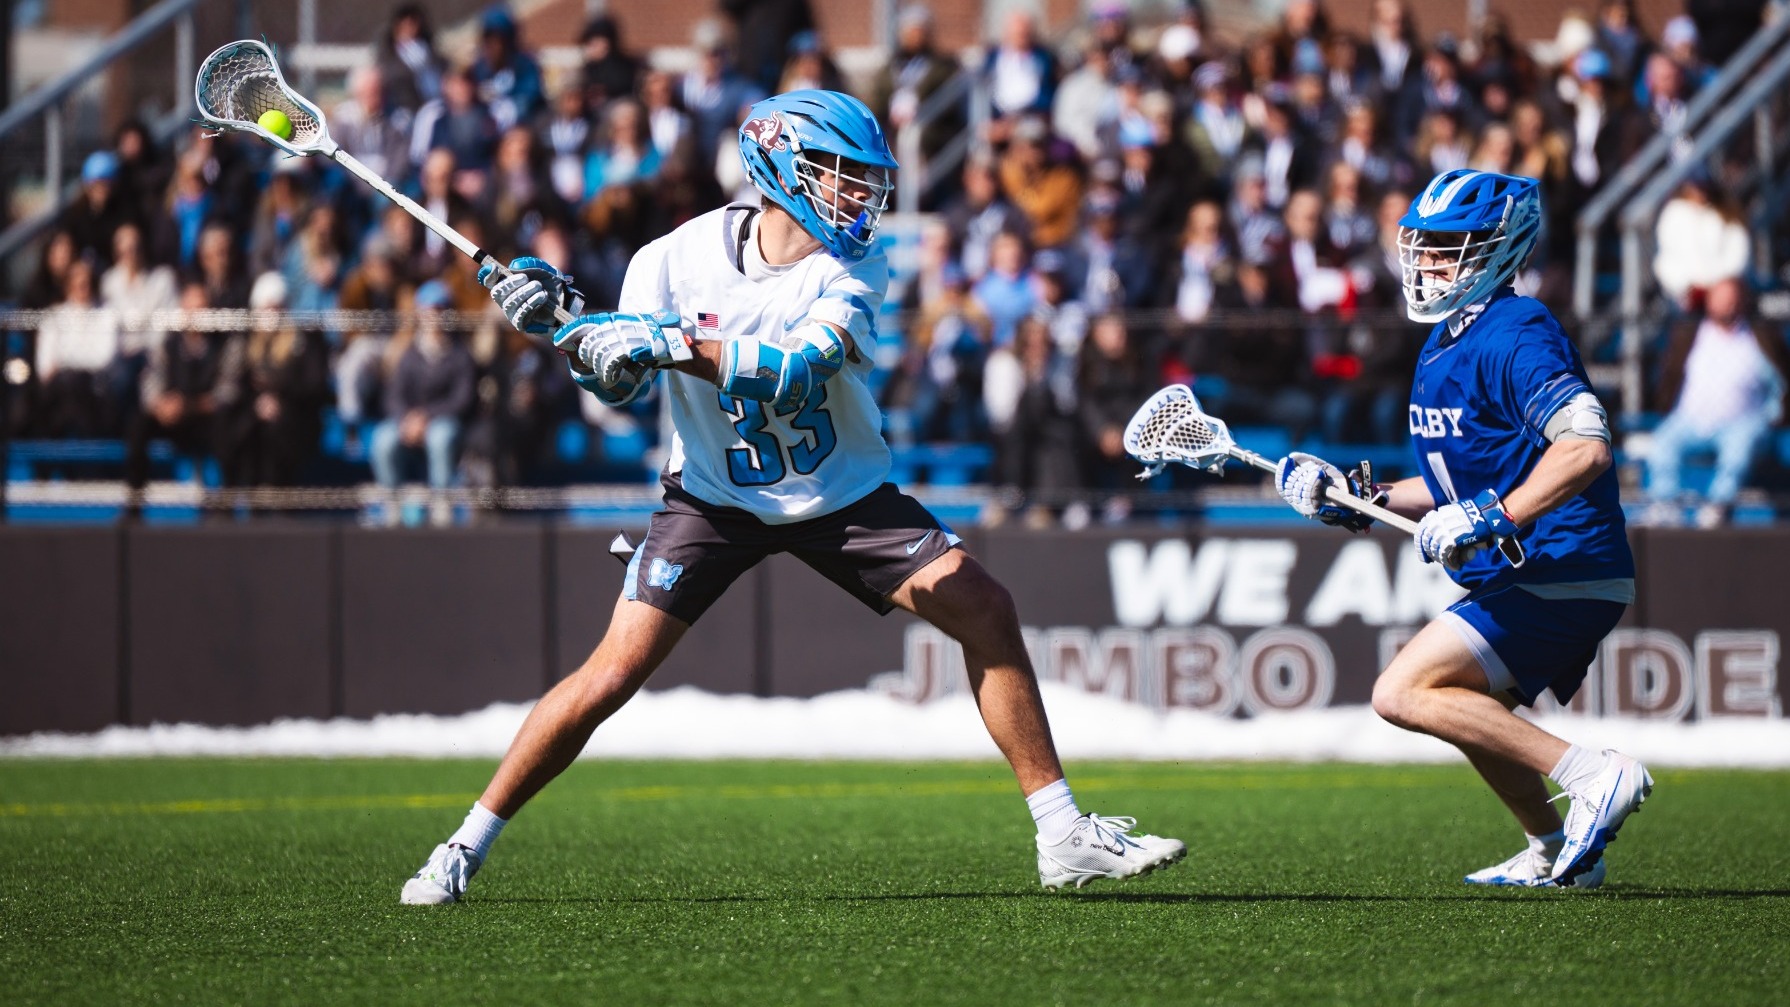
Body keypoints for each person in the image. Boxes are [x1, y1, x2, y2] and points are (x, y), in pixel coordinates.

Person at [400, 90, 1184, 905]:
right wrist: (571, 339)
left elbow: (796, 367)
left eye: (864, 177)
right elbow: (616, 394)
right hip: (711, 497)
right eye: (840, 173)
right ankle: (462, 846)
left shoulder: (856, 265)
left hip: (840, 494)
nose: (860, 193)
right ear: (778, 168)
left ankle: (1063, 836)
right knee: (610, 674)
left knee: (985, 607)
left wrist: (662, 339)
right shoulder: (671, 258)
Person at [1274, 169, 1650, 889]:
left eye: (1449, 246)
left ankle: (1594, 773)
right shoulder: (1448, 340)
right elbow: (1453, 482)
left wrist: (1493, 515)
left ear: (1501, 248)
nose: (1428, 262)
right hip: (1529, 566)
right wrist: (1363, 497)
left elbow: (1585, 445)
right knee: (1463, 708)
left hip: (1560, 559)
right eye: (1424, 246)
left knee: (1402, 691)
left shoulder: (1516, 330)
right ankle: (1551, 850)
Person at [1642, 278, 1790, 528]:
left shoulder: (1759, 336)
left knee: (1739, 448)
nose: (1727, 304)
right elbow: (1668, 376)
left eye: (1732, 298)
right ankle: (1665, 505)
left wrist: (1773, 414)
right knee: (1661, 443)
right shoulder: (1689, 335)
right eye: (1720, 297)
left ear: (1742, 301)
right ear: (1709, 301)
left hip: (1743, 422)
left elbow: (1781, 382)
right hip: (1691, 421)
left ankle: (1718, 507)